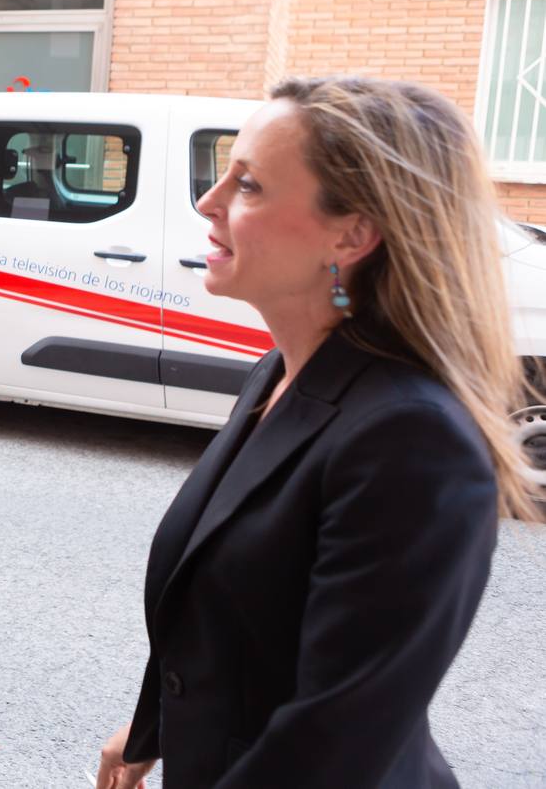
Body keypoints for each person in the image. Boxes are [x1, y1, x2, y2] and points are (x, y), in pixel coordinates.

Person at [95, 76, 539, 789]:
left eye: (249, 187)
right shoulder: (282, 372)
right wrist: (154, 726)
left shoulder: (411, 441)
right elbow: (227, 607)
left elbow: (335, 740)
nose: (208, 203)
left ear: (353, 233)